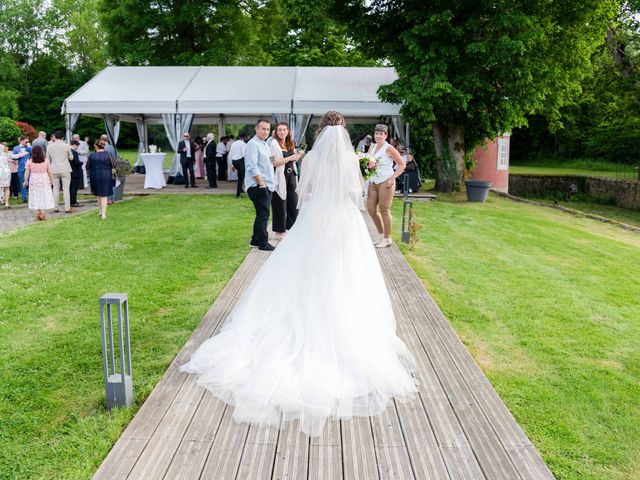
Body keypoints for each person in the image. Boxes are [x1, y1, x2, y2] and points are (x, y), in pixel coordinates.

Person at [180, 111, 417, 437]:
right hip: (345, 222)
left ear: (321, 131)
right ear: (344, 131)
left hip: (316, 218)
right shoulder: (352, 159)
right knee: (348, 272)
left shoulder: (314, 156)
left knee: (305, 268)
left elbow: (303, 194)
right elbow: (357, 195)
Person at [366, 124, 405, 248]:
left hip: (385, 182)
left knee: (384, 209)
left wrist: (392, 178)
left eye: (381, 134)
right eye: (376, 133)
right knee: (371, 209)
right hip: (373, 182)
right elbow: (367, 162)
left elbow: (401, 164)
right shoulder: (372, 147)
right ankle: (381, 234)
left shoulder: (389, 148)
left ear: (386, 135)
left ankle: (387, 238)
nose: (378, 136)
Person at [244, 119, 276, 251]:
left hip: (267, 184)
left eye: (268, 129)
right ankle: (263, 242)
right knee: (264, 214)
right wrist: (261, 184)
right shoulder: (253, 144)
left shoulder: (265, 144)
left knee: (261, 214)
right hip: (258, 185)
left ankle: (255, 240)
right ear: (256, 129)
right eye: (263, 129)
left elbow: (271, 161)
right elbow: (251, 167)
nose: (266, 131)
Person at [269, 122, 304, 240]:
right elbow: (273, 162)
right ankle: (279, 231)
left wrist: (299, 155)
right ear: (276, 132)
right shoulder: (272, 144)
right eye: (280, 130)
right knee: (279, 205)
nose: (282, 132)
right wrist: (290, 157)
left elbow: (294, 160)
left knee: (294, 204)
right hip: (280, 177)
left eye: (284, 130)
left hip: (292, 176)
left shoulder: (290, 143)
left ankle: (293, 228)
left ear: (288, 131)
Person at [23, 146, 55, 221]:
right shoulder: (46, 160)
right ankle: (41, 213)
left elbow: (27, 172)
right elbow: (49, 171)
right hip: (44, 178)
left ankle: (40, 213)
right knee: (43, 195)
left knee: (36, 195)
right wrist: (51, 180)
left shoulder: (29, 161)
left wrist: (26, 181)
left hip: (34, 179)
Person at [46, 131, 74, 213]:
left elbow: (48, 159)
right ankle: (67, 207)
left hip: (54, 169)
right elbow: (71, 157)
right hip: (65, 169)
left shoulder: (49, 146)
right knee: (66, 189)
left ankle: (55, 207)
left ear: (54, 137)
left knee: (55, 189)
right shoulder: (66, 145)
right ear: (62, 137)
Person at [87, 139, 114, 220]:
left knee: (99, 194)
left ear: (96, 146)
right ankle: (103, 213)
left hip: (95, 176)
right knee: (104, 195)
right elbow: (114, 165)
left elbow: (87, 166)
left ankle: (101, 211)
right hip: (106, 176)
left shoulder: (92, 155)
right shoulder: (108, 154)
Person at [11, 135, 32, 203]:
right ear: (22, 141)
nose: (27, 142)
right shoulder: (16, 148)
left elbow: (34, 153)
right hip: (21, 168)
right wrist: (20, 155)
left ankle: (33, 197)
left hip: (30, 168)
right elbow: (13, 157)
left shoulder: (29, 147)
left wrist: (29, 146)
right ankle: (24, 198)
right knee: (22, 183)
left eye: (28, 141)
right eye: (26, 141)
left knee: (32, 183)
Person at [229, 132, 248, 197]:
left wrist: (232, 164)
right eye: (246, 137)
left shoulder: (234, 143)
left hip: (234, 161)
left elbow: (230, 154)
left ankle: (240, 189)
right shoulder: (243, 144)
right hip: (240, 161)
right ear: (244, 137)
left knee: (240, 176)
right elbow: (244, 155)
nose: (247, 139)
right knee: (241, 178)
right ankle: (238, 194)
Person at [69, 140, 83, 207]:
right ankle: (73, 202)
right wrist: (81, 163)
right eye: (77, 146)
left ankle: (70, 201)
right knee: (74, 188)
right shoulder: (74, 153)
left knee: (70, 188)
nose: (77, 147)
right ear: (74, 145)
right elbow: (77, 162)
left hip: (69, 172)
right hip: (75, 172)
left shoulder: (68, 151)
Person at [0, 143, 10, 208]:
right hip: (6, 172)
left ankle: (1, 200)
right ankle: (6, 203)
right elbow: (16, 156)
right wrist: (24, 153)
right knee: (7, 188)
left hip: (1, 172)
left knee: (1, 187)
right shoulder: (7, 154)